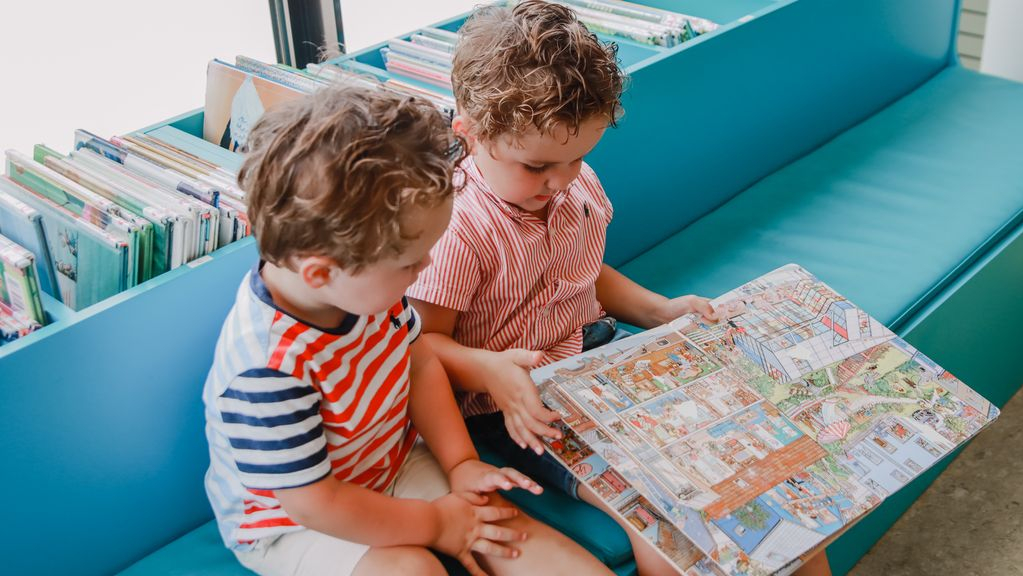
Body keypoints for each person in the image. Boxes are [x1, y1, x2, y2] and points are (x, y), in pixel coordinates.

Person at [409, 3, 831, 575]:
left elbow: (584, 272)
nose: (558, 181)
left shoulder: (571, 183)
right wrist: (491, 372)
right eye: (536, 167)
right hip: (521, 406)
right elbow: (423, 347)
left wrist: (658, 310)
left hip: (605, 364)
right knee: (663, 521)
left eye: (578, 157)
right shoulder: (457, 227)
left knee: (770, 477)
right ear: (471, 134)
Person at [202, 83, 612, 576]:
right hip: (294, 523)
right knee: (412, 568)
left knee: (498, 522)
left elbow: (417, 361)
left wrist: (460, 464)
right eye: (410, 262)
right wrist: (435, 524)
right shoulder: (267, 371)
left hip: (390, 460)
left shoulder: (367, 289)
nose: (428, 267)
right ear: (319, 272)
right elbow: (315, 503)